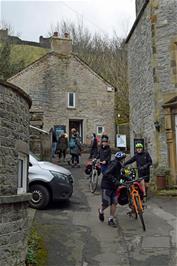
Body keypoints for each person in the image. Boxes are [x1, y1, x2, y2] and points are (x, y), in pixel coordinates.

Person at [98, 151, 126, 227]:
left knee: (114, 202)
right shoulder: (114, 164)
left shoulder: (119, 165)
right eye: (123, 158)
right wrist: (115, 181)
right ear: (121, 159)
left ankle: (111, 219)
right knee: (106, 203)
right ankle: (101, 211)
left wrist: (126, 178)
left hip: (114, 187)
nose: (124, 160)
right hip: (107, 186)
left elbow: (118, 174)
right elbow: (107, 173)